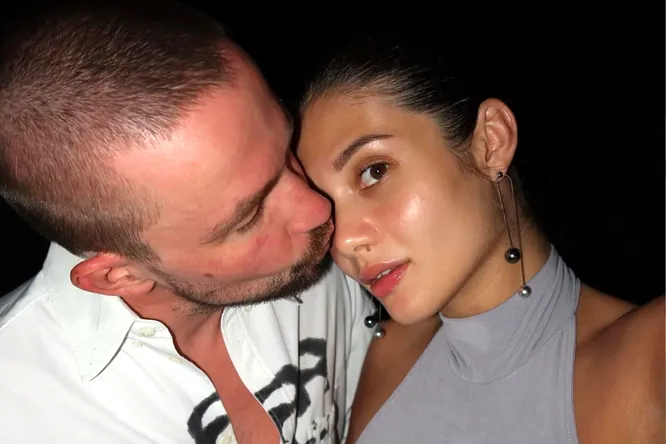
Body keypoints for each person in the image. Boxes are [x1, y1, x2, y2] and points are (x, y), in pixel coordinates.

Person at [0, 2, 375, 443]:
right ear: (118, 276)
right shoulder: (21, 415)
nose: (318, 209)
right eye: (250, 216)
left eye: (287, 146)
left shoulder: (318, 255)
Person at [296, 34, 665, 444]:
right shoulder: (390, 354)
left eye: (374, 171)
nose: (345, 240)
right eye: (325, 206)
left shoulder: (648, 361)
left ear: (491, 141)